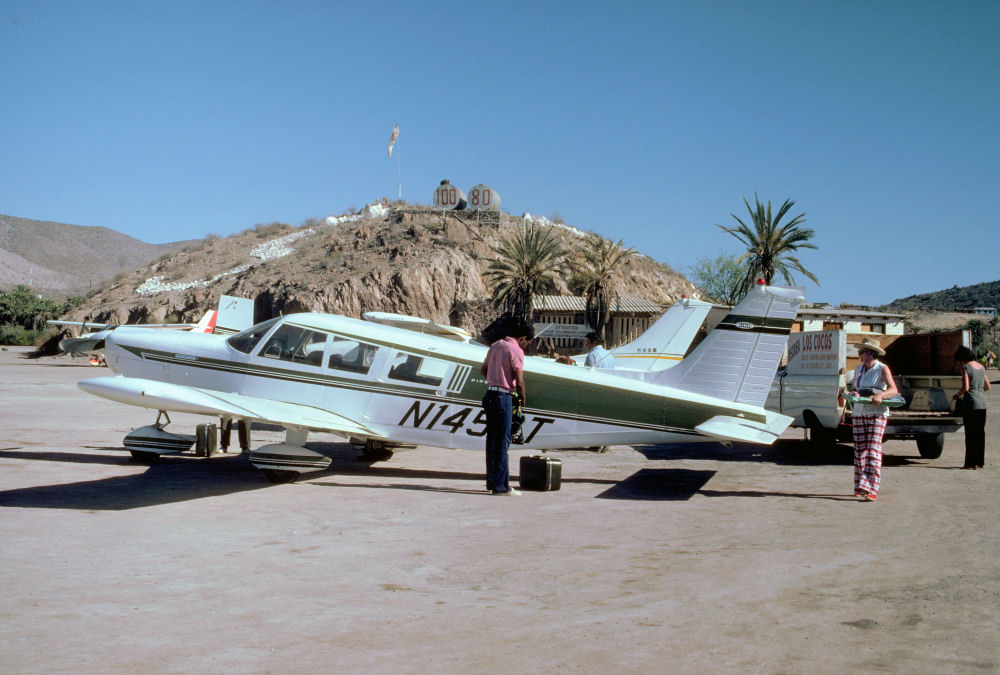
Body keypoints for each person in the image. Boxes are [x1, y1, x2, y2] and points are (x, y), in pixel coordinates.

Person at [480, 323, 533, 495]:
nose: (526, 346)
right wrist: (523, 396)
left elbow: (483, 370)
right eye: (527, 342)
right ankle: (502, 486)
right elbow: (520, 379)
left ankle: (491, 481)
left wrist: (495, 377)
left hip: (490, 395)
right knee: (503, 442)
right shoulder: (515, 350)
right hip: (504, 397)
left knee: (492, 440)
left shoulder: (495, 345)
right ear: (522, 338)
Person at [849, 337, 899, 501]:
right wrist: (853, 394)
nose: (860, 355)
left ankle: (872, 488)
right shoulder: (859, 369)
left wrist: (881, 395)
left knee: (873, 450)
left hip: (876, 412)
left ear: (870, 353)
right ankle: (860, 485)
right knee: (859, 450)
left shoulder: (882, 369)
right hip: (859, 412)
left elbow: (893, 390)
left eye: (861, 352)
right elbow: (855, 388)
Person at [953, 346, 990, 469]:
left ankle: (970, 463)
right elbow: (988, 386)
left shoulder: (966, 368)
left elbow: (966, 388)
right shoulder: (981, 367)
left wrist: (957, 395)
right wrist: (979, 390)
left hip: (971, 403)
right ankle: (980, 462)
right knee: (980, 433)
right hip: (982, 402)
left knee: (970, 434)